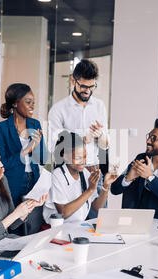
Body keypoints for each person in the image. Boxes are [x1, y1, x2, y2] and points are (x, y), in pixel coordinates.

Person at [48, 59, 109, 219]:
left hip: (95, 172)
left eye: (91, 86)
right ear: (73, 80)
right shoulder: (59, 109)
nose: (87, 91)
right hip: (71, 174)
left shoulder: (99, 106)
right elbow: (54, 146)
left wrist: (100, 135)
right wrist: (78, 139)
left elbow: (105, 145)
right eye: (83, 86)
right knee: (73, 222)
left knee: (98, 224)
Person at [0, 83, 48, 234]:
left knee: (33, 224)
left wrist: (37, 146)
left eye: (33, 103)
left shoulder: (35, 124)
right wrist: (25, 151)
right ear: (16, 103)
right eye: (28, 102)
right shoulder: (2, 128)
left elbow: (43, 159)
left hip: (34, 181)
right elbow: (0, 163)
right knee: (14, 224)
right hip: (12, 183)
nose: (32, 106)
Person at [43, 131, 117, 224]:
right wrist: (89, 190)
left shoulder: (85, 173)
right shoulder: (56, 176)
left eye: (85, 157)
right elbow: (63, 213)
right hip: (56, 228)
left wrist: (105, 187)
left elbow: (96, 206)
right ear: (65, 156)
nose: (83, 162)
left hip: (77, 227)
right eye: (78, 158)